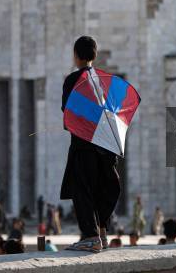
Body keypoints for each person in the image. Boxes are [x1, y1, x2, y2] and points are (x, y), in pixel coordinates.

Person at [61, 36, 121, 253]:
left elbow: (69, 115)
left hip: (84, 145)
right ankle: (102, 233)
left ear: (77, 56)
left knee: (82, 189)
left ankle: (90, 236)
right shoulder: (105, 80)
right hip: (106, 146)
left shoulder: (73, 80)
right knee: (102, 188)